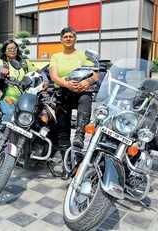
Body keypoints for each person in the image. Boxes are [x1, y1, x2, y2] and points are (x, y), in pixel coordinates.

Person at [49, 27, 99, 177]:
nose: (68, 38)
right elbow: (54, 76)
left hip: (81, 92)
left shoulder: (82, 55)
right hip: (63, 92)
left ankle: (80, 134)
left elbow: (95, 74)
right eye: (66, 36)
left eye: (71, 36)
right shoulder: (56, 56)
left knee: (86, 98)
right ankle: (67, 166)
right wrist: (67, 84)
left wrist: (87, 82)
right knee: (63, 133)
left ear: (75, 39)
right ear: (61, 39)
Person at [0, 40, 37, 122]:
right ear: (4, 51)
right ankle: (2, 133)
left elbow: (38, 72)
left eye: (14, 48)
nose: (13, 50)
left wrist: (45, 80)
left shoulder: (24, 63)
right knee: (10, 114)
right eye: (9, 49)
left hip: (24, 99)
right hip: (6, 98)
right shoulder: (1, 62)